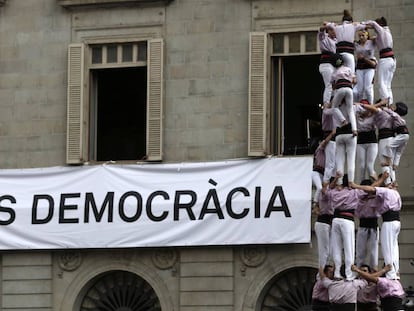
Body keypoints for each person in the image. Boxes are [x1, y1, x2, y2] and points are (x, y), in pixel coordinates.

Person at [350, 172, 402, 280]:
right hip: (393, 221)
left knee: (386, 249)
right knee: (393, 248)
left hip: (385, 222)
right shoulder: (395, 193)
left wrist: (356, 186)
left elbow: (372, 189)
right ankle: (395, 270)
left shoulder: (385, 192)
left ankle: (391, 272)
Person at [327, 172, 362, 280]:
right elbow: (370, 190)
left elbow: (326, 191)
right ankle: (349, 273)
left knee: (336, 248)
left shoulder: (336, 192)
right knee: (349, 248)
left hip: (336, 219)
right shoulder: (355, 192)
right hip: (347, 219)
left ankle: (337, 272)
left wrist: (335, 179)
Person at [331, 53, 358, 186]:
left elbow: (332, 86)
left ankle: (340, 183)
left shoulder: (334, 72)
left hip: (340, 133)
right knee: (351, 160)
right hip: (349, 89)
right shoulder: (347, 69)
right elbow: (354, 80)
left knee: (333, 107)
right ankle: (352, 182)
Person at [365, 17, 396, 105]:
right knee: (387, 84)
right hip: (391, 59)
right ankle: (390, 103)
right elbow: (373, 39)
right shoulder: (386, 32)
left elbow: (373, 24)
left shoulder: (382, 31)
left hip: (385, 59)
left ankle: (385, 101)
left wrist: (363, 24)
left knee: (382, 82)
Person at [355, 180, 380, 271]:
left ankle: (374, 269)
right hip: (363, 224)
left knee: (374, 250)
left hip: (373, 224)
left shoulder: (376, 198)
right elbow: (357, 211)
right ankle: (358, 268)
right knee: (360, 250)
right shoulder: (359, 198)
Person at [321, 102, 346, 187]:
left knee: (337, 164)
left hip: (336, 138)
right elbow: (333, 109)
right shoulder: (327, 111)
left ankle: (336, 183)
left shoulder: (337, 112)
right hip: (330, 138)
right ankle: (325, 183)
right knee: (330, 164)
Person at [312, 129, 336, 207]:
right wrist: (332, 134)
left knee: (326, 189)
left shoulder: (329, 152)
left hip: (322, 173)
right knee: (319, 188)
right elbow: (325, 142)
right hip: (316, 172)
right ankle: (315, 204)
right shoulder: (320, 149)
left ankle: (322, 204)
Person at [355, 100, 378, 182]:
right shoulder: (357, 116)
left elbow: (376, 109)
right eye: (362, 108)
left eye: (365, 107)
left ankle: (376, 184)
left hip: (371, 142)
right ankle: (361, 185)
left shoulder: (374, 115)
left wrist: (363, 105)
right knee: (361, 166)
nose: (363, 110)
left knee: (369, 166)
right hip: (361, 142)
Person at [354, 30, 377, 104]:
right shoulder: (356, 44)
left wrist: (374, 37)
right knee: (360, 89)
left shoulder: (371, 42)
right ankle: (359, 105)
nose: (361, 37)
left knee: (368, 88)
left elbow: (379, 36)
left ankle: (371, 104)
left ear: (367, 36)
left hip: (369, 66)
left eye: (363, 35)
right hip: (360, 67)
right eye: (360, 36)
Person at [318, 23, 337, 106]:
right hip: (326, 64)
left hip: (334, 64)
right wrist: (327, 26)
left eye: (334, 30)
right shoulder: (324, 38)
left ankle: (333, 103)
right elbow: (321, 30)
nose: (333, 31)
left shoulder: (337, 40)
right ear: (328, 31)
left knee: (335, 86)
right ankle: (326, 104)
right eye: (331, 30)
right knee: (329, 85)